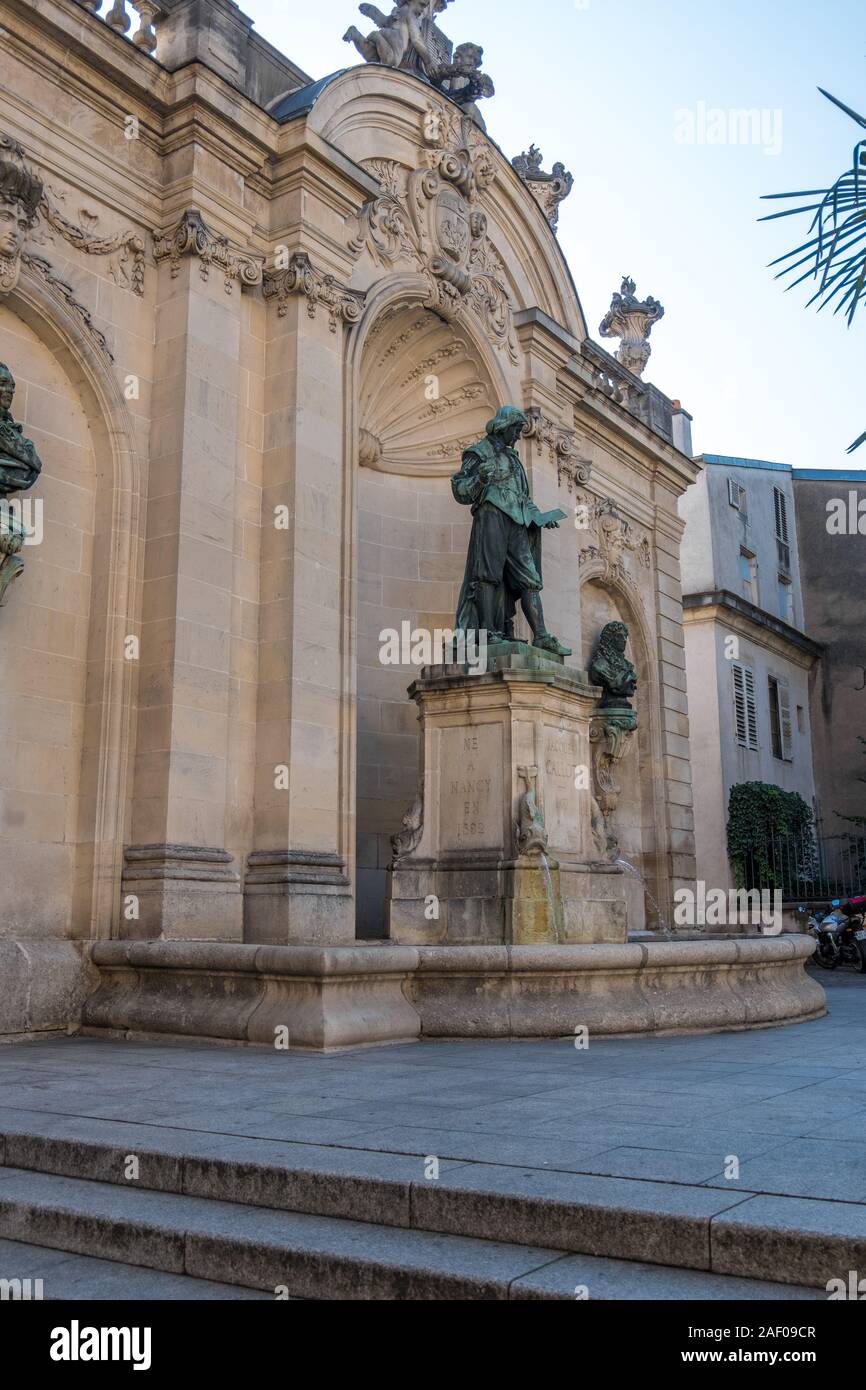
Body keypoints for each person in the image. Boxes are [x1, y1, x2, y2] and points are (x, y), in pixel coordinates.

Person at [451, 405, 571, 656]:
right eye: (516, 429)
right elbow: (460, 491)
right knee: (488, 575)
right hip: (492, 515)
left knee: (530, 579)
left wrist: (538, 517)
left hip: (517, 522)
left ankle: (542, 636)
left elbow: (522, 496)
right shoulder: (478, 453)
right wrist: (480, 479)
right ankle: (489, 633)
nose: (518, 435)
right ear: (503, 426)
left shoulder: (513, 459)